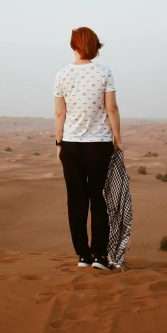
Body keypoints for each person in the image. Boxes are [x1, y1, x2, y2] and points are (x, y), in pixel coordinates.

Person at [53, 27, 122, 270]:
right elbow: (111, 109)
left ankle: (83, 256)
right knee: (99, 199)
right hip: (100, 145)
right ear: (95, 46)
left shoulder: (61, 75)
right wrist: (117, 138)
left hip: (71, 146)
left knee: (76, 201)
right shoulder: (104, 72)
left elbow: (60, 113)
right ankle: (100, 257)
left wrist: (59, 142)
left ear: (73, 46)